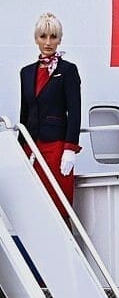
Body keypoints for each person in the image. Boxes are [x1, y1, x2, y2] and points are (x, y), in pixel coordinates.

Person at [19, 13, 82, 220]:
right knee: (33, 205)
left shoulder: (68, 70)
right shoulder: (26, 72)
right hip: (32, 147)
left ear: (60, 39)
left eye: (53, 37)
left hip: (56, 147)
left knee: (58, 203)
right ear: (36, 38)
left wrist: (70, 149)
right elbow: (25, 112)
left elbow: (74, 111)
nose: (48, 42)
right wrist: (20, 149)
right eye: (43, 36)